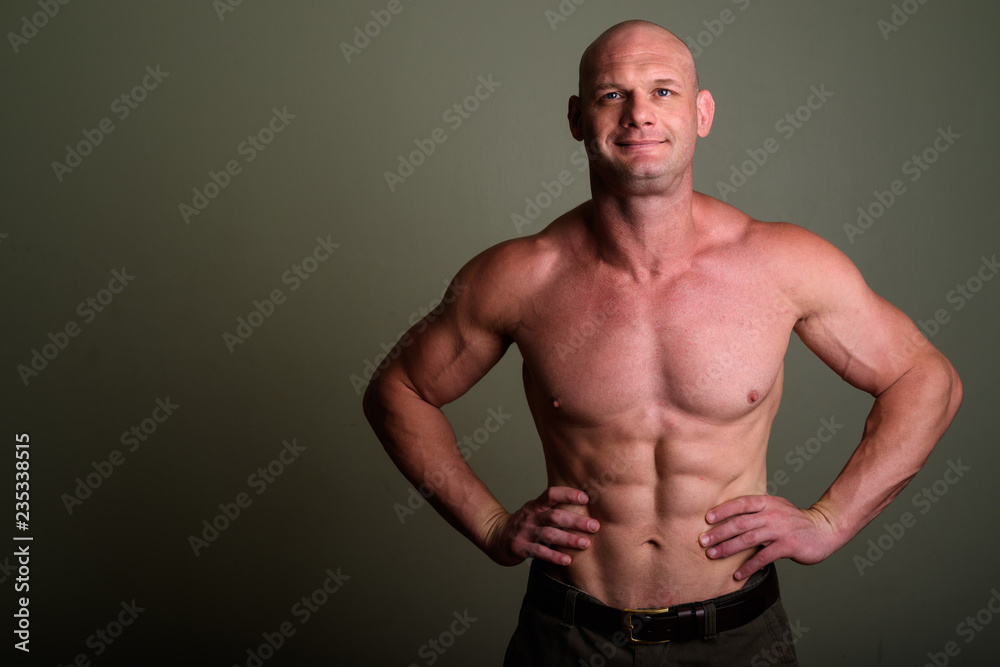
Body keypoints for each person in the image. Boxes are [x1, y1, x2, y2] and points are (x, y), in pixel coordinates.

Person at [362, 19, 962, 666]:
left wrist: (830, 520)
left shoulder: (783, 264)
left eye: (664, 92)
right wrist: (490, 525)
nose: (639, 114)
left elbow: (926, 379)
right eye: (612, 95)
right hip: (568, 637)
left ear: (702, 112)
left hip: (736, 637)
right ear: (576, 117)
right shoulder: (520, 277)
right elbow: (399, 392)